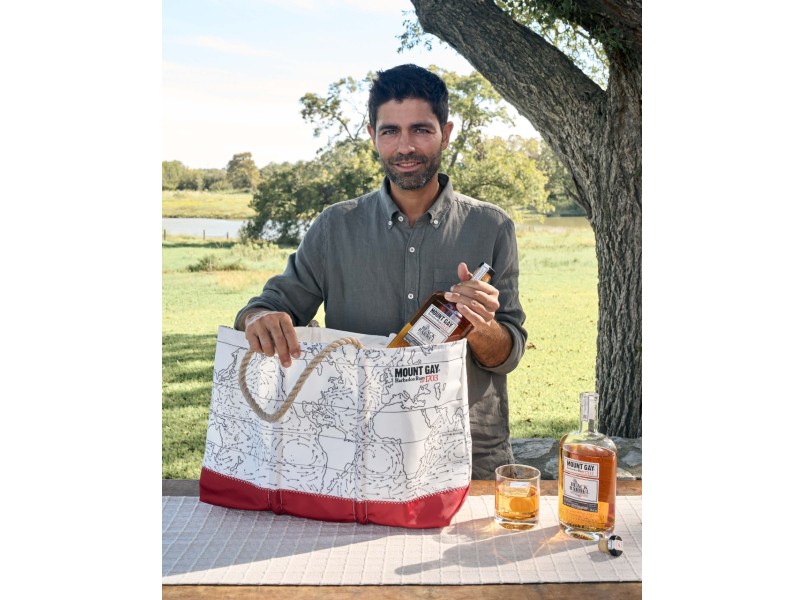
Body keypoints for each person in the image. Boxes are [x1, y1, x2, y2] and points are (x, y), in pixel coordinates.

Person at [234, 63, 527, 480]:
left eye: (421, 130)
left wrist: (479, 324)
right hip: (356, 449)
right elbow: (267, 307)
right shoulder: (334, 226)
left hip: (467, 452)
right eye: (390, 131)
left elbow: (507, 354)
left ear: (446, 132)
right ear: (372, 136)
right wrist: (259, 318)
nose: (405, 146)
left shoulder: (492, 227)